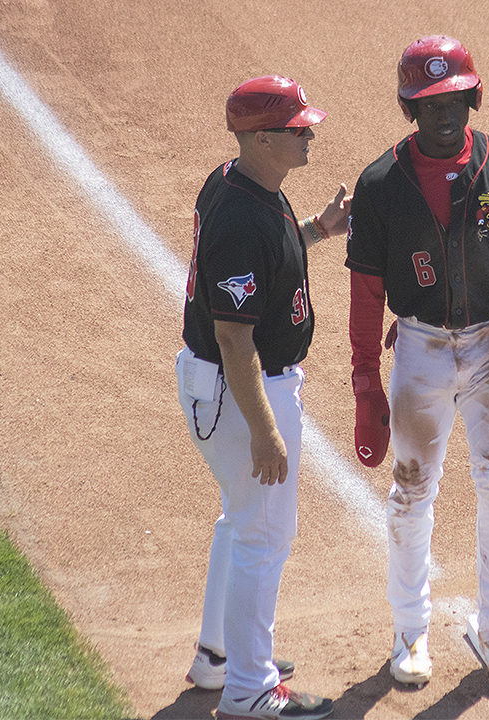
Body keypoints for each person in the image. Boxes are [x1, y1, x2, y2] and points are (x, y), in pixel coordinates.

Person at [345, 36, 489, 697]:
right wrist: (365, 381)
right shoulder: (381, 184)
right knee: (412, 490)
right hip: (419, 345)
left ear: (471, 95)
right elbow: (366, 293)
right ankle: (409, 631)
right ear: (409, 108)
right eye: (427, 101)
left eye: (452, 98)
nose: (443, 111)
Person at [177, 75, 349, 720]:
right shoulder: (243, 216)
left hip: (222, 386)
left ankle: (218, 658)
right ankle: (250, 689)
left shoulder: (240, 182)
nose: (310, 135)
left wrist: (316, 230)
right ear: (260, 136)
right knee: (265, 534)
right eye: (298, 129)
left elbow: (264, 267)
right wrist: (266, 430)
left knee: (242, 521)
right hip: (243, 389)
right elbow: (233, 335)